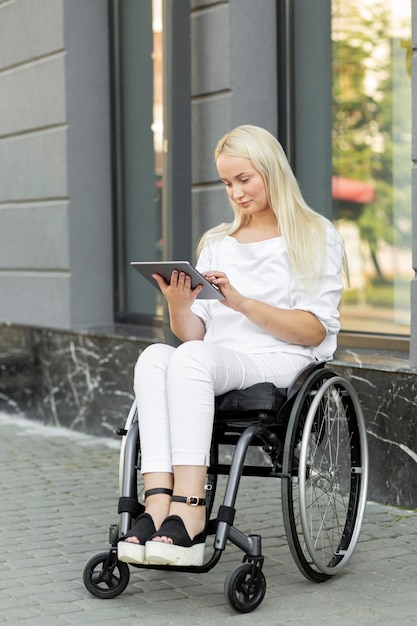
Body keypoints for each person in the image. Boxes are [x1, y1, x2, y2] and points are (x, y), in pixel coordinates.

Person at [117, 124, 345, 568]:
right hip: (214, 359)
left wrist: (239, 301)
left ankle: (191, 507)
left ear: (272, 172)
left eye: (245, 180)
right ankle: (158, 502)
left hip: (281, 360)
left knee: (193, 360)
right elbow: (193, 334)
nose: (236, 193)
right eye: (227, 183)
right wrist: (177, 304)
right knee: (154, 357)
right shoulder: (218, 244)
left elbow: (314, 331)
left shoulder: (315, 235)